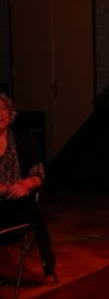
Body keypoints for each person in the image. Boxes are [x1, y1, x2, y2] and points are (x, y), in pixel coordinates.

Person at [0, 92, 55, 280]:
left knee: (29, 209)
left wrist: (26, 183)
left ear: (10, 111)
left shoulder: (24, 140)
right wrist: (5, 188)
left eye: (3, 108)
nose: (0, 114)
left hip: (18, 207)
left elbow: (40, 174)